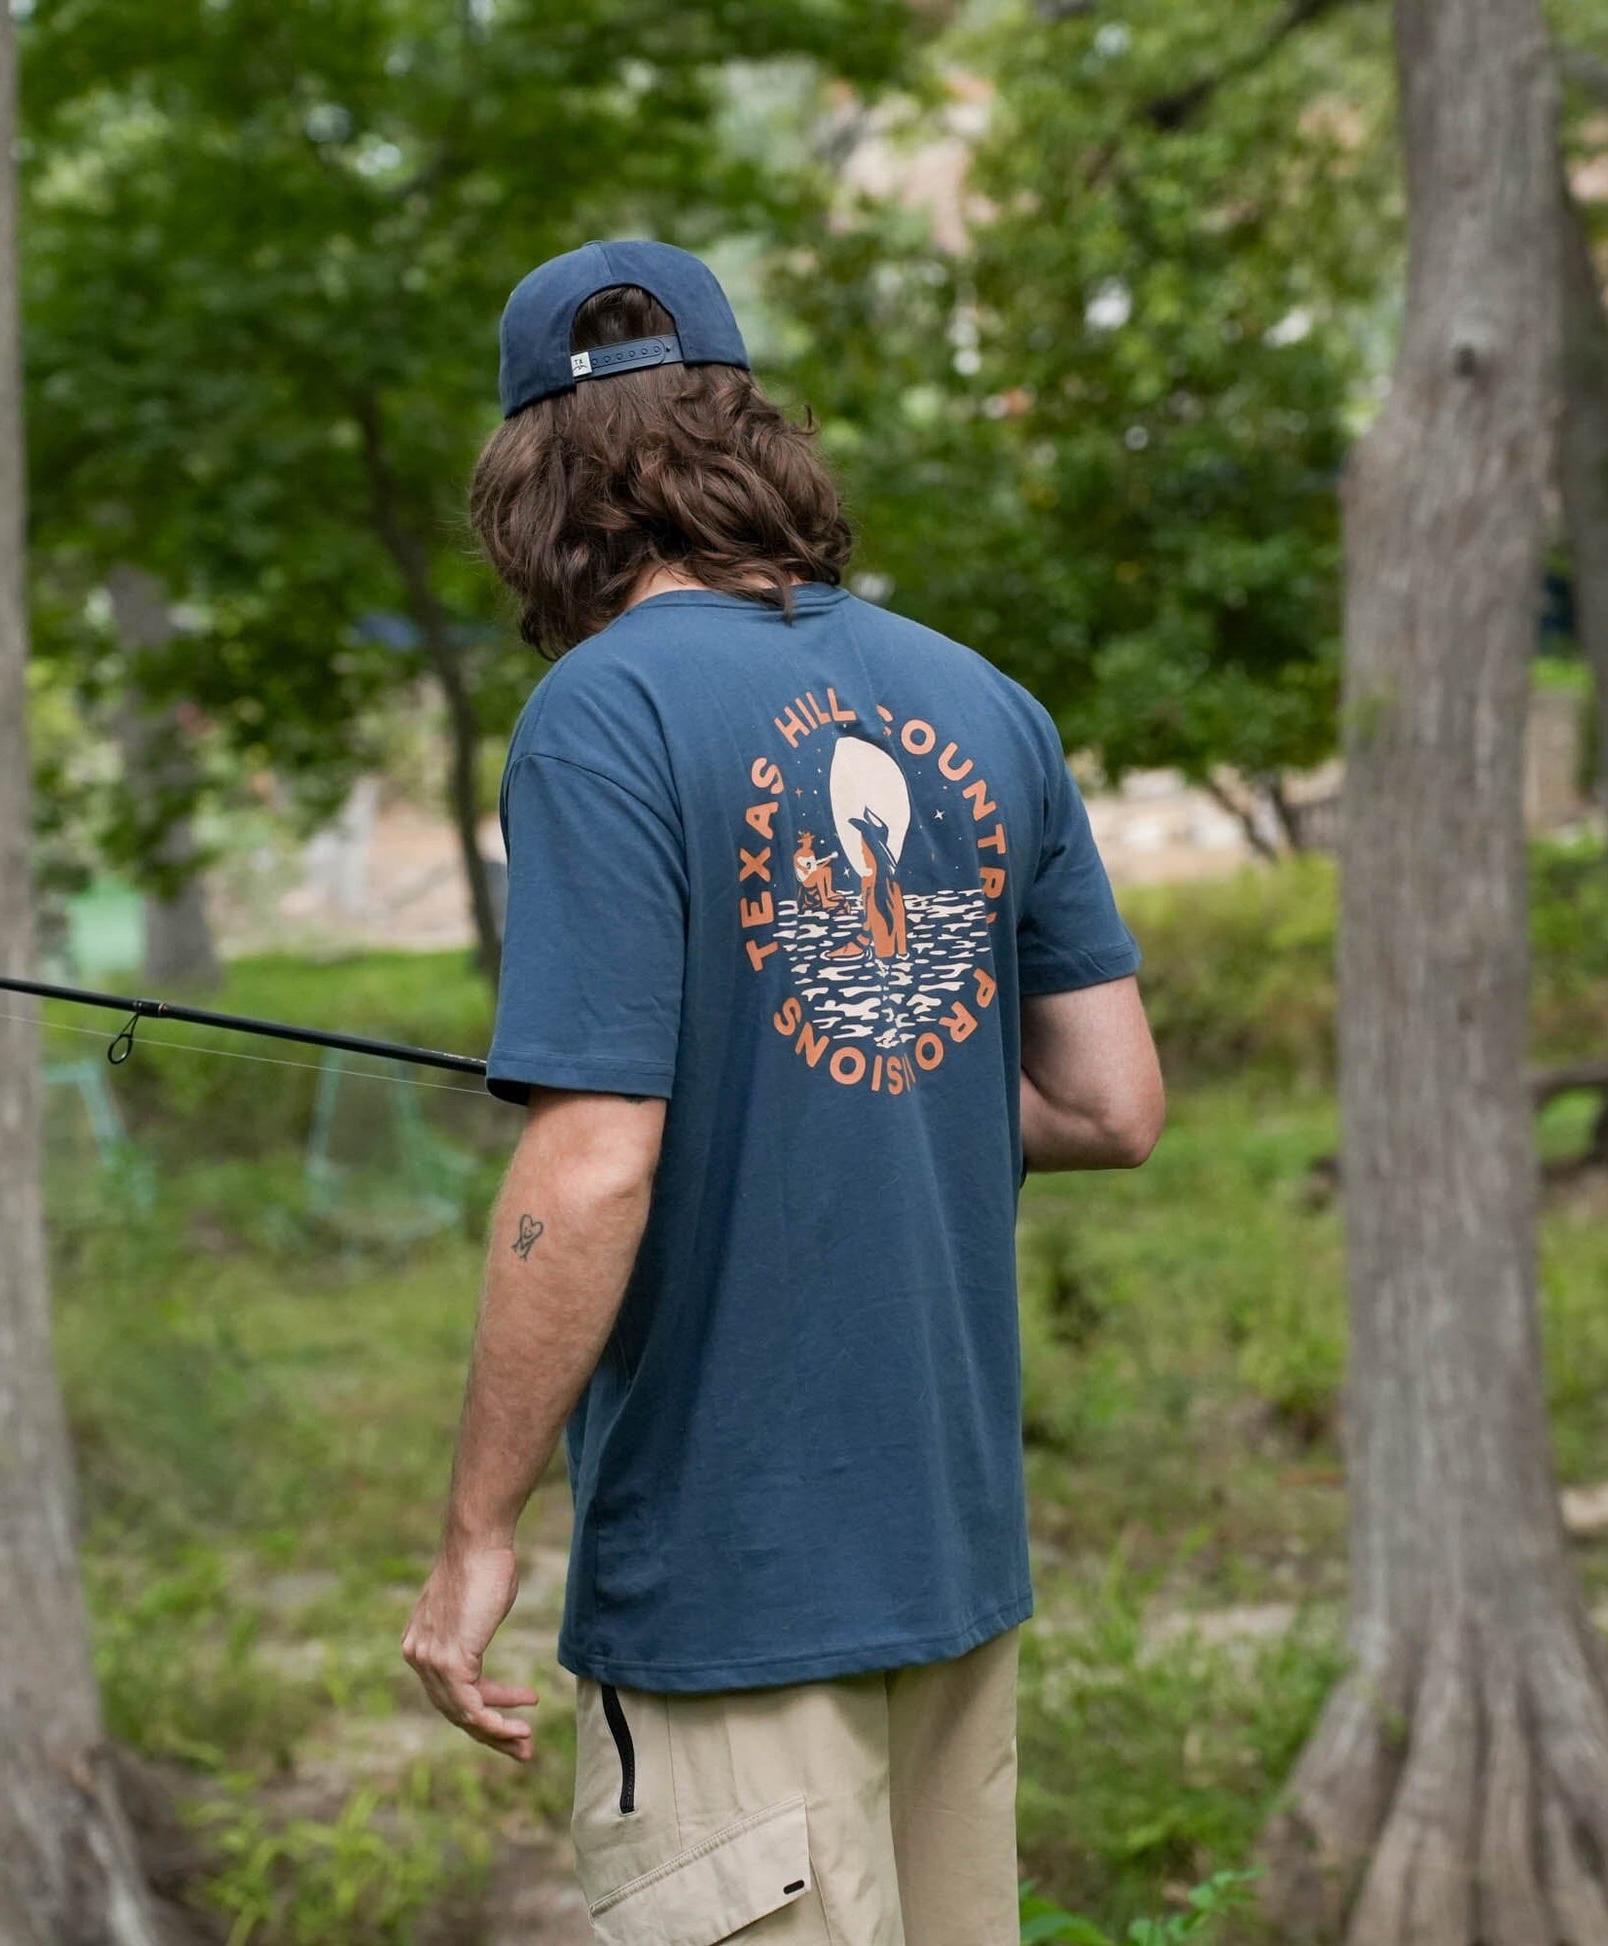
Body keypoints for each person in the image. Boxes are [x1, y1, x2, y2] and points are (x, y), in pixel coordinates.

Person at [400, 239, 1163, 1945]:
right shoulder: (984, 699)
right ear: (751, 435)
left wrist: (474, 1532)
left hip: (734, 1583)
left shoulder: (599, 713)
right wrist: (873, 1084)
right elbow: (1110, 1103)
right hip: (949, 1561)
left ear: (534, 484)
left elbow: (593, 1160)